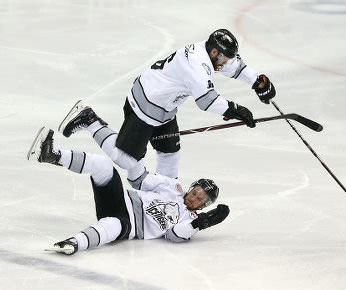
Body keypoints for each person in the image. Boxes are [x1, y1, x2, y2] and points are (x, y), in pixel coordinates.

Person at [59, 28, 276, 181]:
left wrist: (257, 82)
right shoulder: (197, 66)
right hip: (145, 106)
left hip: (165, 109)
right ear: (214, 52)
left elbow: (236, 67)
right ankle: (90, 120)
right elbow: (207, 101)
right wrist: (236, 110)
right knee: (125, 160)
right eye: (224, 58)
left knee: (170, 156)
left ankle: (163, 197)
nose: (227, 63)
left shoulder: (209, 52)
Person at [27, 126, 230, 255]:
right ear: (192, 187)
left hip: (129, 225)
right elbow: (140, 179)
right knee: (103, 166)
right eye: (195, 191)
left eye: (200, 199)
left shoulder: (190, 220)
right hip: (121, 199)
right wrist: (136, 154)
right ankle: (51, 155)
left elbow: (175, 235)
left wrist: (202, 222)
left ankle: (73, 243)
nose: (194, 197)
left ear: (204, 205)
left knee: (112, 228)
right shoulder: (171, 187)